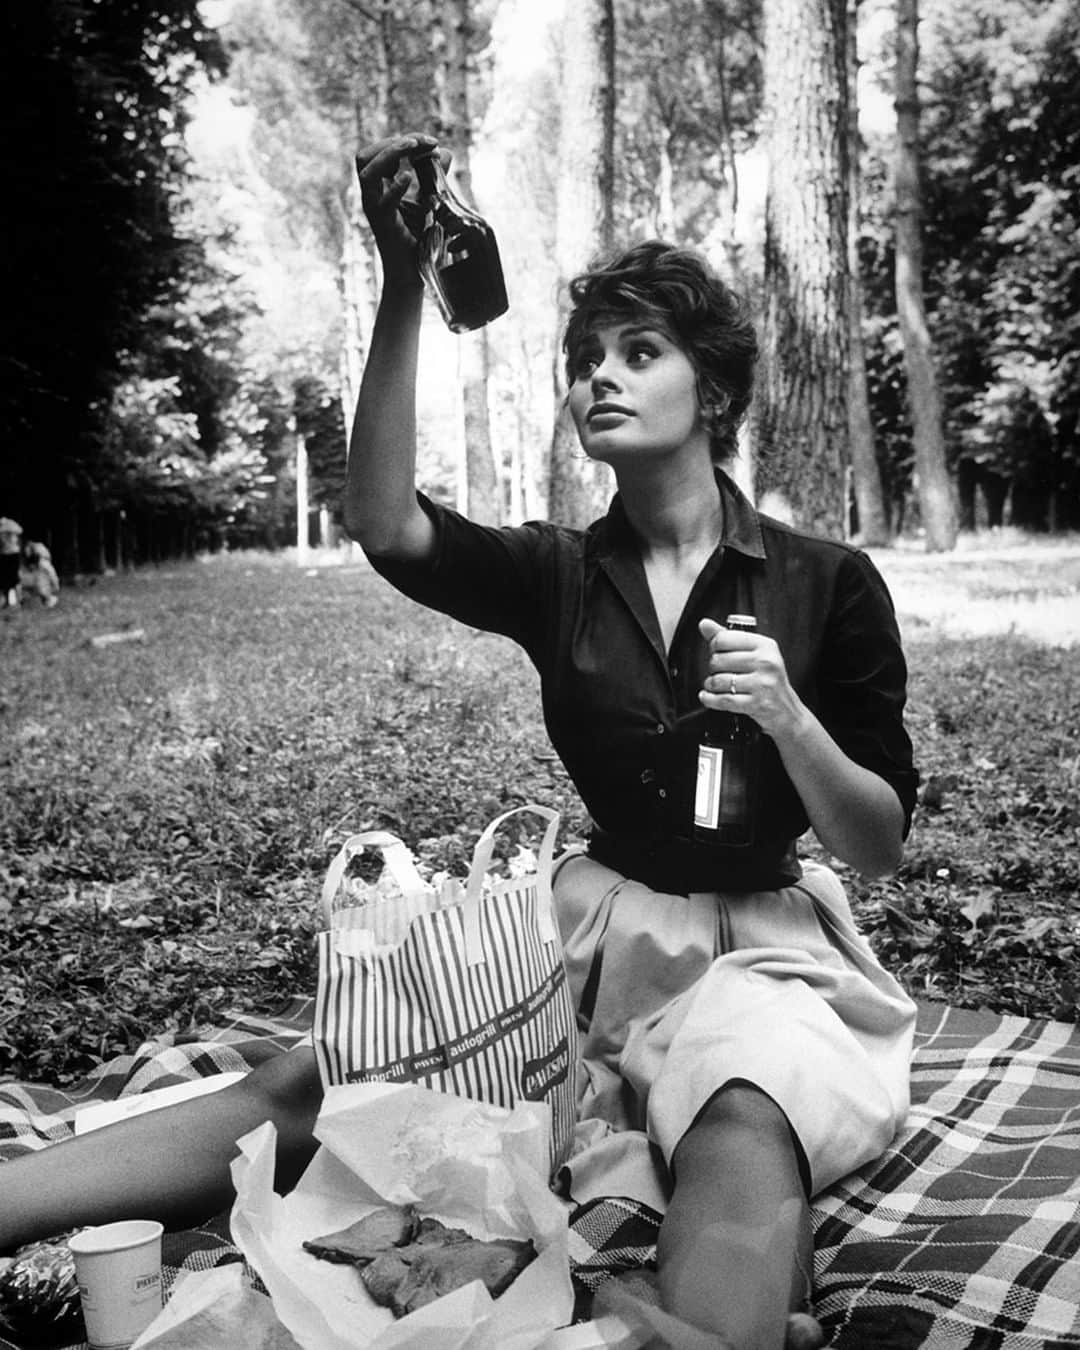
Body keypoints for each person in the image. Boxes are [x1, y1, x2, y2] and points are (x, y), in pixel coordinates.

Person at [0, 135, 918, 1350]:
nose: (600, 376)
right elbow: (385, 521)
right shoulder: (555, 574)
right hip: (586, 928)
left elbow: (882, 840)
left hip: (763, 942)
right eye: (585, 357)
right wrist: (399, 276)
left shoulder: (828, 583)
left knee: (744, 1116)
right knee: (326, 1074)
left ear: (721, 395)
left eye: (640, 353)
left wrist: (791, 720)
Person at [0, 516, 23, 607]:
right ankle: (7, 601)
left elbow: (19, 530)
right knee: (4, 579)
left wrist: (7, 529)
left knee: (14, 578)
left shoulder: (11, 526)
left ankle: (19, 600)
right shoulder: (4, 529)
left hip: (13, 554)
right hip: (4, 554)